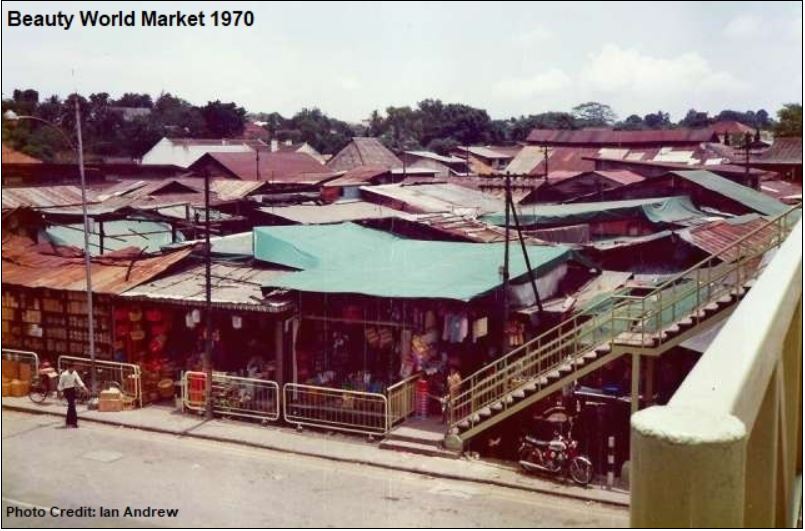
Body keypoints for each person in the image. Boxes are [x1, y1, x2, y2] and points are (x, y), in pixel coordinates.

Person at [57, 363, 87, 428]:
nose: (72, 369)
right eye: (71, 368)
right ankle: (74, 422)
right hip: (67, 390)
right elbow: (60, 383)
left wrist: (83, 387)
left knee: (71, 406)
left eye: (73, 368)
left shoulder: (74, 373)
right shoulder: (64, 375)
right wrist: (60, 391)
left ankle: (68, 421)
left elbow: (78, 380)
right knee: (72, 405)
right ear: (68, 368)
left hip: (72, 389)